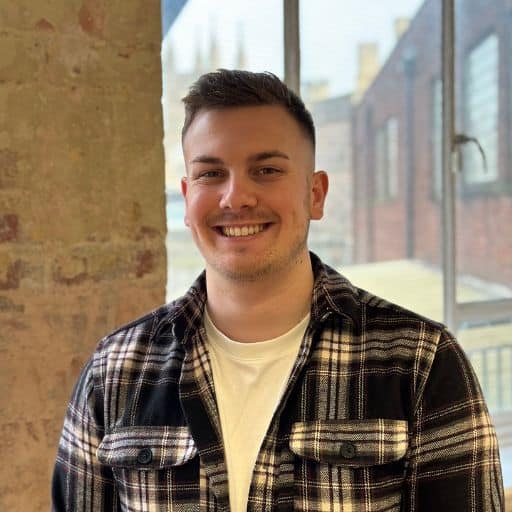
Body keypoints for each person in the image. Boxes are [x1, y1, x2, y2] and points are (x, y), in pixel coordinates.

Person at [52, 69, 504, 511]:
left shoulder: (420, 361)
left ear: (316, 194)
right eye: (211, 174)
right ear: (187, 199)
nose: (236, 197)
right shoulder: (114, 370)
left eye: (266, 169)